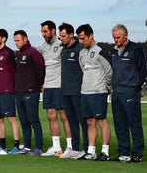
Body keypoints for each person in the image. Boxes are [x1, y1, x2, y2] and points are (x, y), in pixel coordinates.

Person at [76, 24, 113, 161]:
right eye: (79, 39)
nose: (81, 41)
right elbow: (83, 70)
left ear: (91, 35)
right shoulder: (81, 53)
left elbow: (109, 71)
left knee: (101, 120)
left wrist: (106, 86)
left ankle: (105, 152)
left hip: (99, 92)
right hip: (85, 92)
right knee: (90, 122)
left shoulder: (101, 51)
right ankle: (91, 152)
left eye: (83, 38)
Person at [110, 24, 145, 163]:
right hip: (116, 92)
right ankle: (123, 153)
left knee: (134, 123)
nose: (115, 40)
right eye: (114, 37)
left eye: (118, 37)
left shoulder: (136, 49)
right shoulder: (113, 51)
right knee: (119, 124)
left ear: (126, 36)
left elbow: (142, 70)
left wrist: (136, 86)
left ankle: (137, 153)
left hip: (130, 92)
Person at [40, 20, 72, 156]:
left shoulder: (62, 45)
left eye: (45, 31)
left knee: (64, 116)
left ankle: (70, 146)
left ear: (53, 31)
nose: (43, 34)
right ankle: (56, 147)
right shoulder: (43, 46)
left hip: (60, 86)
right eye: (42, 32)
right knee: (51, 115)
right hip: (48, 86)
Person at [58, 23, 88, 159]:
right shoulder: (63, 50)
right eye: (60, 36)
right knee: (71, 121)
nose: (62, 38)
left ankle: (87, 149)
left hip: (78, 91)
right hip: (65, 91)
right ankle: (75, 149)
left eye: (64, 36)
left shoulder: (80, 49)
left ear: (71, 35)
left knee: (83, 121)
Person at [13, 30, 45, 156]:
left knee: (33, 120)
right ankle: (26, 147)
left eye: (18, 40)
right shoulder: (17, 54)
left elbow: (41, 72)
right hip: (19, 92)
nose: (16, 43)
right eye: (15, 40)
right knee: (24, 121)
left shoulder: (33, 53)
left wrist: (36, 86)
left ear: (25, 39)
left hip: (31, 92)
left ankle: (38, 147)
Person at [0, 29, 20, 155]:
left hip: (7, 91)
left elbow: (15, 73)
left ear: (3, 39)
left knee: (11, 118)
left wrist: (12, 88)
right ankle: (2, 146)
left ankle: (16, 146)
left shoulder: (9, 53)